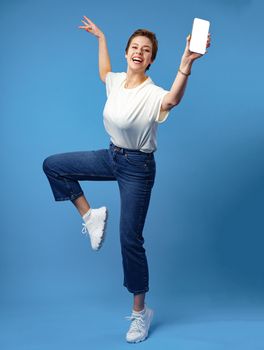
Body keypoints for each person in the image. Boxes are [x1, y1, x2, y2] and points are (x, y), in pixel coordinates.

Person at [43, 16, 211, 343]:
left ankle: (139, 313)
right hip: (111, 156)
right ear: (127, 53)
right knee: (54, 165)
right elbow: (103, 72)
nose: (139, 52)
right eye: (134, 47)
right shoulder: (116, 80)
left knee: (129, 239)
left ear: (150, 60)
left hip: (138, 166)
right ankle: (91, 215)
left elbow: (172, 100)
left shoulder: (154, 93)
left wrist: (187, 64)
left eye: (146, 50)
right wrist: (101, 38)